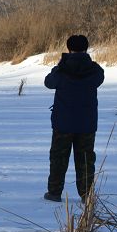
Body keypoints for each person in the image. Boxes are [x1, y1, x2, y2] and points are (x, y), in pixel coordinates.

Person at [43, 34, 105, 203]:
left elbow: (49, 83)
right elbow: (99, 78)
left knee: (58, 158)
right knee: (86, 159)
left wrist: (60, 66)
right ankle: (86, 195)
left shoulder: (61, 70)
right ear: (86, 48)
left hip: (63, 122)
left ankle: (54, 192)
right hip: (87, 123)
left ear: (69, 49)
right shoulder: (95, 70)